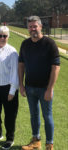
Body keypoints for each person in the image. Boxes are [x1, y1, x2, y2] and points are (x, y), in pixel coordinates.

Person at [18, 16, 60, 150]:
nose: (32, 29)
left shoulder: (50, 44)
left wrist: (50, 89)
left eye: (35, 26)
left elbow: (56, 67)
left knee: (47, 116)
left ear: (41, 27)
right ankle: (36, 141)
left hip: (45, 88)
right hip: (30, 87)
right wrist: (21, 84)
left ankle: (49, 144)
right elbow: (21, 65)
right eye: (30, 26)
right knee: (34, 115)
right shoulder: (25, 44)